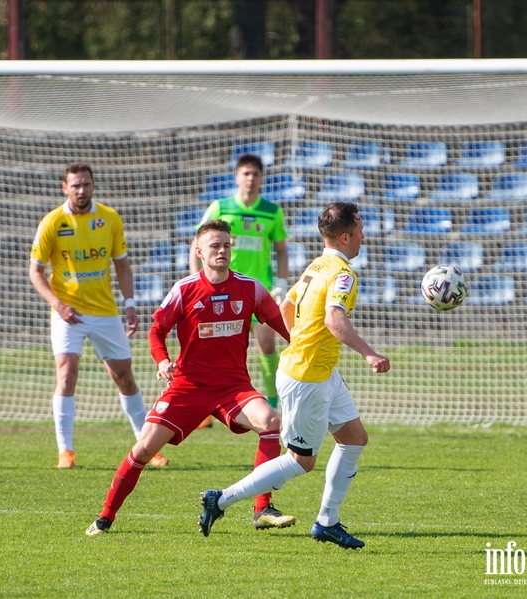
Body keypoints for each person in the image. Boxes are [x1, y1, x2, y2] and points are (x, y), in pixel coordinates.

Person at [198, 202, 390, 549]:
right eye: (360, 230)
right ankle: (221, 499)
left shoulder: (317, 266)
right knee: (301, 462)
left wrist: (300, 341)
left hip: (320, 372)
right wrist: (369, 353)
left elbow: (285, 306)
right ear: (345, 236)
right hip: (308, 379)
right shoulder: (343, 274)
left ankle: (327, 522)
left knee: (354, 438)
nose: (364, 235)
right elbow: (334, 320)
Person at [86, 219, 295, 536]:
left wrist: (301, 345)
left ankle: (262, 508)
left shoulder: (251, 288)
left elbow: (280, 324)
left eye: (226, 245)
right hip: (188, 387)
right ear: (199, 251)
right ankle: (105, 516)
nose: (222, 250)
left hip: (233, 387)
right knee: (143, 449)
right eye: (215, 245)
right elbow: (156, 331)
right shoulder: (184, 290)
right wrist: (162, 360)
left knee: (270, 422)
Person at [29, 162, 167, 469]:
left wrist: (130, 303)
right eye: (75, 185)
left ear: (93, 186)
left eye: (85, 184)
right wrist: (59, 305)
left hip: (105, 311)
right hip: (67, 313)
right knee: (66, 373)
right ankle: (65, 451)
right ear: (64, 188)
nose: (81, 190)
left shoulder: (109, 218)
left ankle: (147, 446)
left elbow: (122, 265)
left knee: (124, 377)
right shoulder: (52, 222)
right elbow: (35, 271)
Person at [190, 153, 288, 413]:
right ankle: (208, 402)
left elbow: (282, 249)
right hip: (224, 290)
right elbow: (196, 242)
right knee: (218, 346)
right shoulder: (220, 207)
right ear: (237, 177)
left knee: (267, 345)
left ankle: (274, 400)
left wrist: (281, 281)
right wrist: (195, 277)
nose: (251, 178)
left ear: (262, 179)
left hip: (259, 289)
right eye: (246, 173)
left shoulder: (272, 211)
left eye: (255, 174)